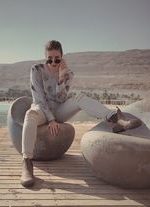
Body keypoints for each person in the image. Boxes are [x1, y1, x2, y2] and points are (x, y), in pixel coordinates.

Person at [21, 40, 142, 187]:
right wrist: (51, 119)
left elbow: (61, 98)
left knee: (79, 97)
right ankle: (27, 163)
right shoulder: (36, 70)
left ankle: (117, 119)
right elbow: (38, 98)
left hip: (59, 109)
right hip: (42, 109)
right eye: (49, 59)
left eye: (57, 59)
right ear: (45, 57)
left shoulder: (68, 74)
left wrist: (60, 78)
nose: (53, 62)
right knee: (30, 115)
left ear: (62, 57)